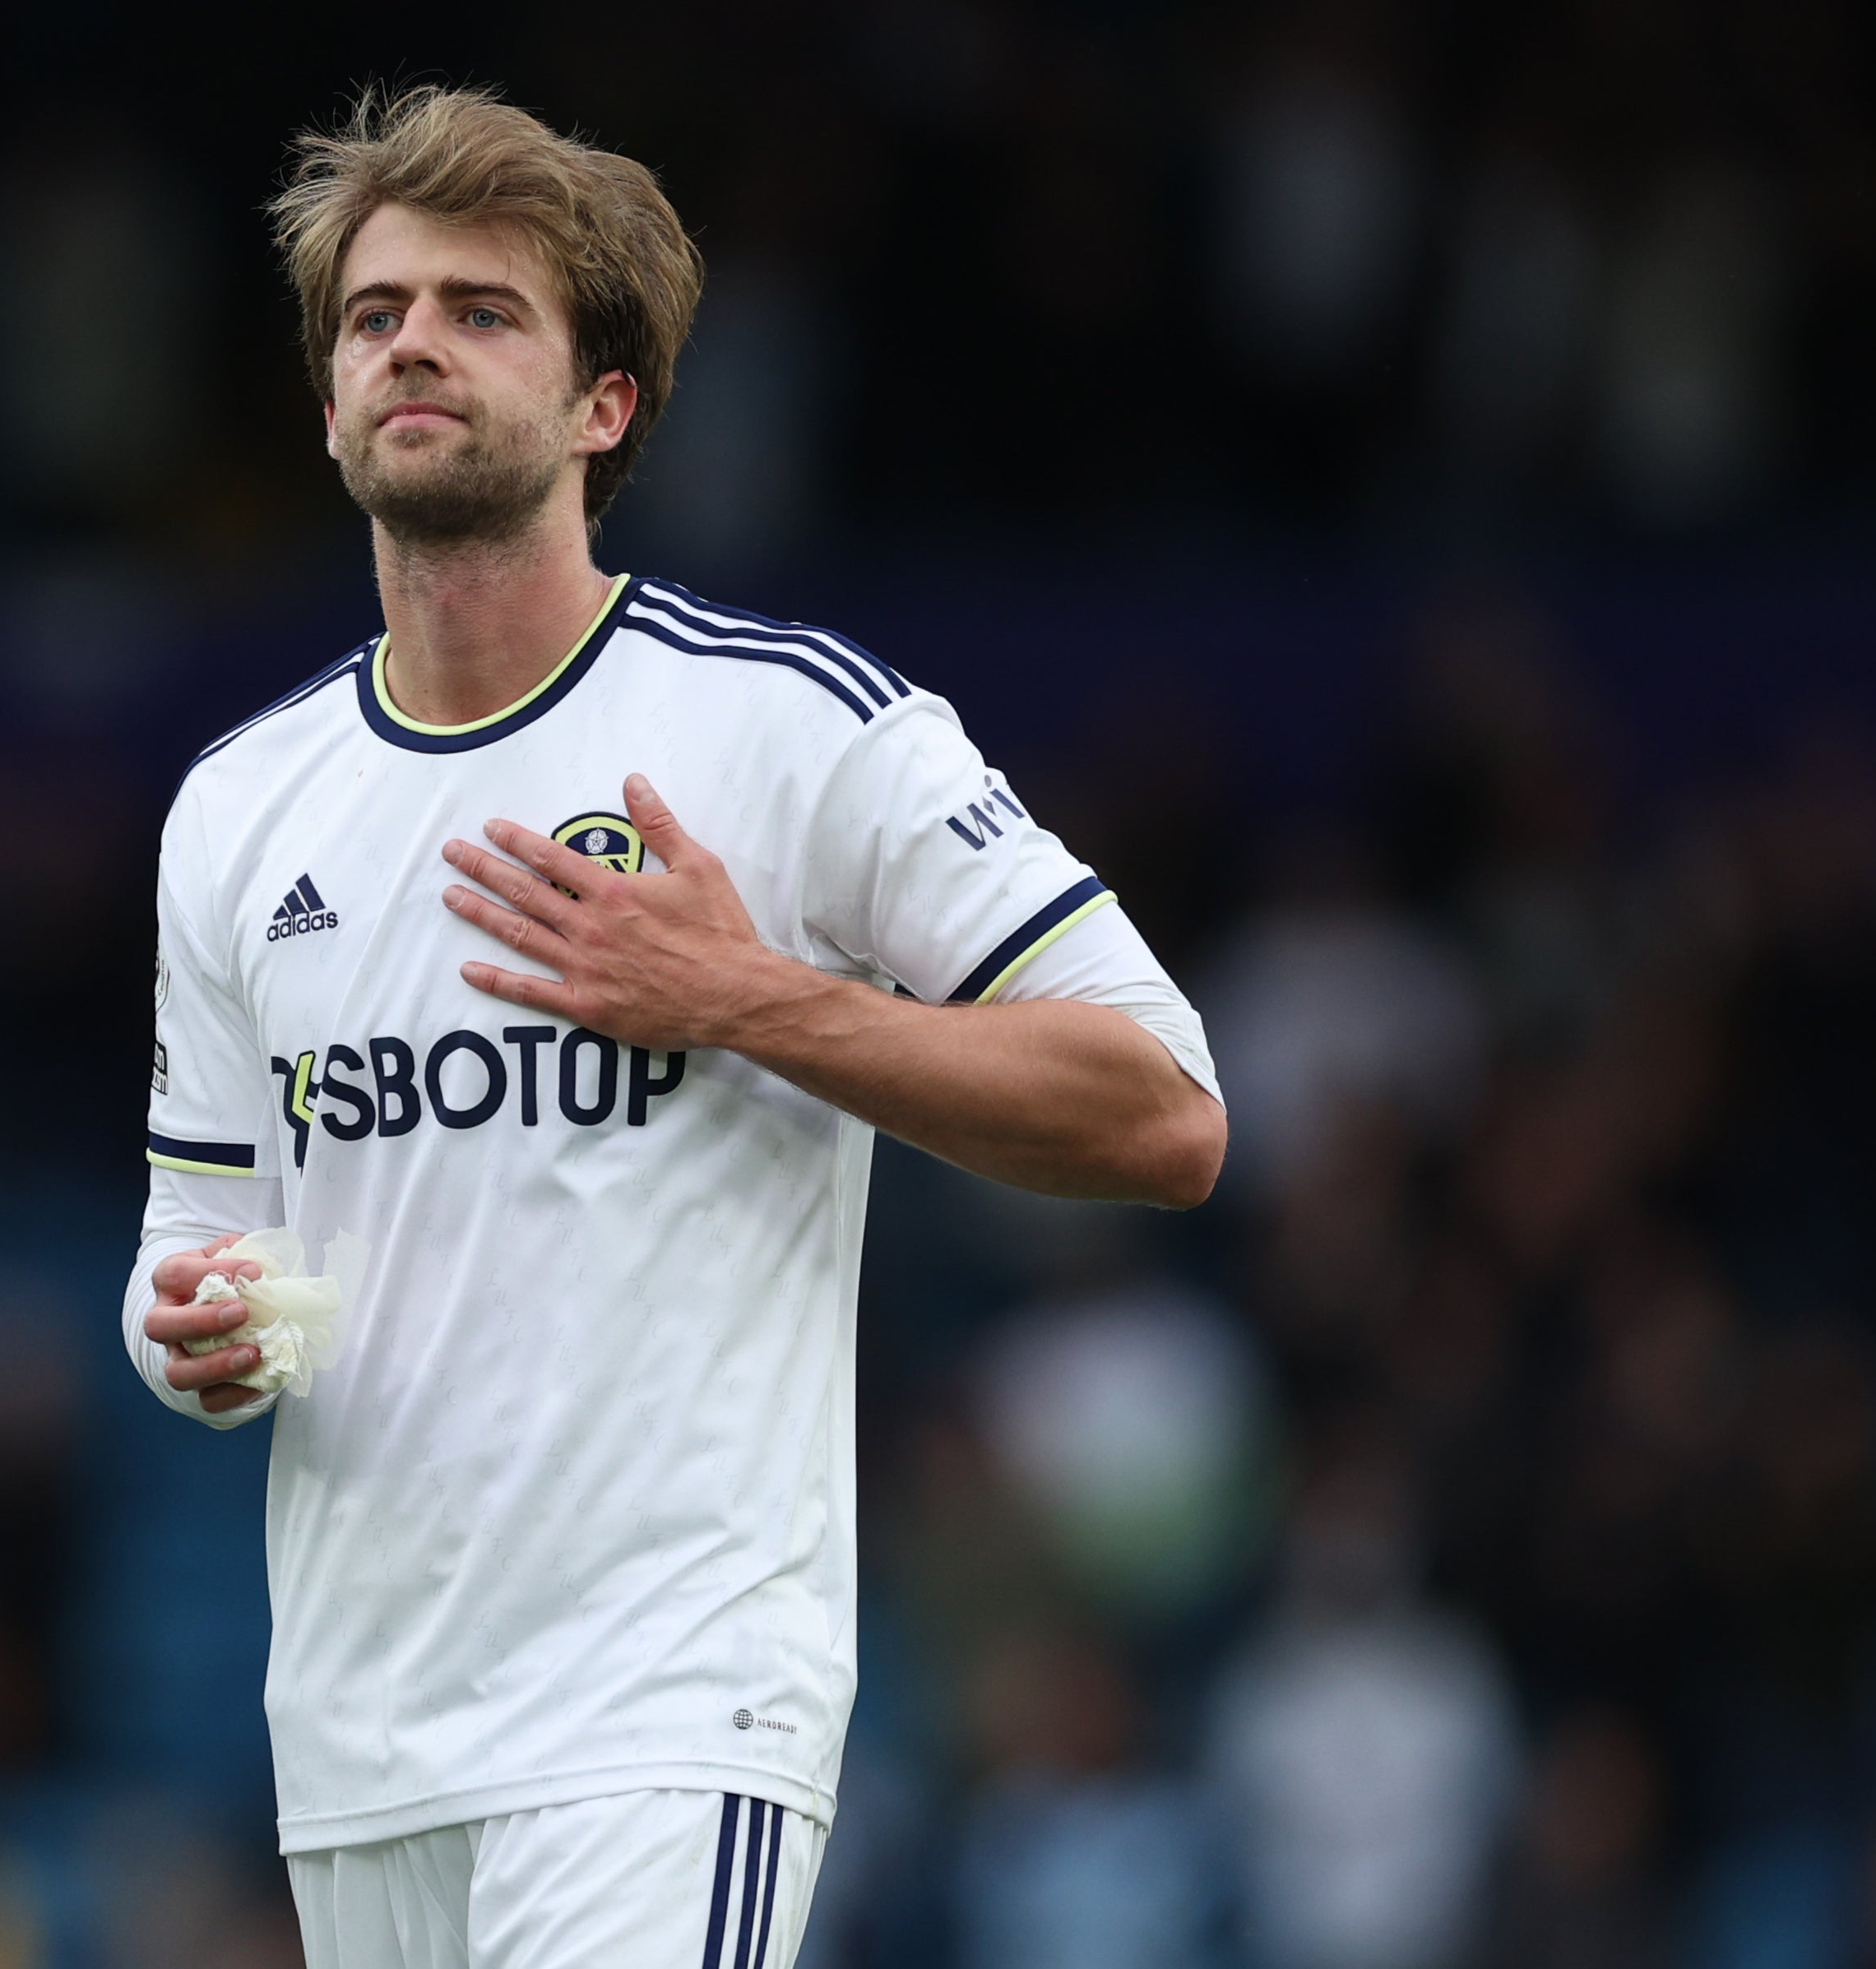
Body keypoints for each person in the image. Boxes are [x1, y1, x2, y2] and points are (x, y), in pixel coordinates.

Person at [123, 84, 1226, 1969]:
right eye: (375, 314)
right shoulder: (239, 809)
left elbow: (1162, 1108)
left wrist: (746, 997)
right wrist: (198, 1336)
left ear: (601, 404)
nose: (413, 344)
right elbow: (197, 1250)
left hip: (663, 1708)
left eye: (482, 312)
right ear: (323, 406)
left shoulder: (790, 728)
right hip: (363, 1738)